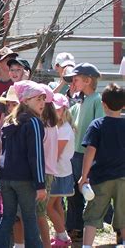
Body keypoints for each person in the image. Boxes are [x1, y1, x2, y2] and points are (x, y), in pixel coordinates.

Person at [0, 80, 47, 248]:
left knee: (8, 217)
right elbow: (37, 156)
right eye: (38, 99)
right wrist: (41, 184)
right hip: (24, 180)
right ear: (25, 101)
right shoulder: (33, 122)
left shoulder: (10, 121)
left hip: (6, 178)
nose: (42, 103)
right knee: (29, 218)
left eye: (43, 99)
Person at [79, 83, 125, 248]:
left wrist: (84, 177)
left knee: (92, 216)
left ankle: (87, 246)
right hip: (123, 177)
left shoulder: (97, 125)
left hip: (101, 178)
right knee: (124, 214)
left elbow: (90, 152)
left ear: (103, 104)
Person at [62, 63, 104, 241]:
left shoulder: (96, 100)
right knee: (73, 192)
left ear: (87, 81)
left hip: (87, 153)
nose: (73, 82)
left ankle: (87, 226)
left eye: (76, 79)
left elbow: (100, 126)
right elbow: (67, 115)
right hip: (76, 152)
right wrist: (69, 96)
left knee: (86, 189)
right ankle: (74, 226)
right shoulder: (80, 101)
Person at [47, 93, 75, 246]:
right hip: (60, 171)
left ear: (64, 110)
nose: (55, 112)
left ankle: (63, 237)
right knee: (56, 204)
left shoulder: (64, 129)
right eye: (53, 109)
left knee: (48, 207)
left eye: (58, 109)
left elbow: (55, 154)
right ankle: (60, 235)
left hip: (58, 172)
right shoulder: (59, 127)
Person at [36, 85, 58, 248]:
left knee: (40, 214)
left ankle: (45, 245)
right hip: (49, 172)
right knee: (40, 213)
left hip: (43, 173)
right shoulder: (52, 124)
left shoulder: (43, 127)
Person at [0, 58, 31, 129]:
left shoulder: (33, 95)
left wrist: (23, 82)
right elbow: (2, 121)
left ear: (26, 73)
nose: (14, 73)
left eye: (18, 69)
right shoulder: (6, 94)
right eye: (12, 70)